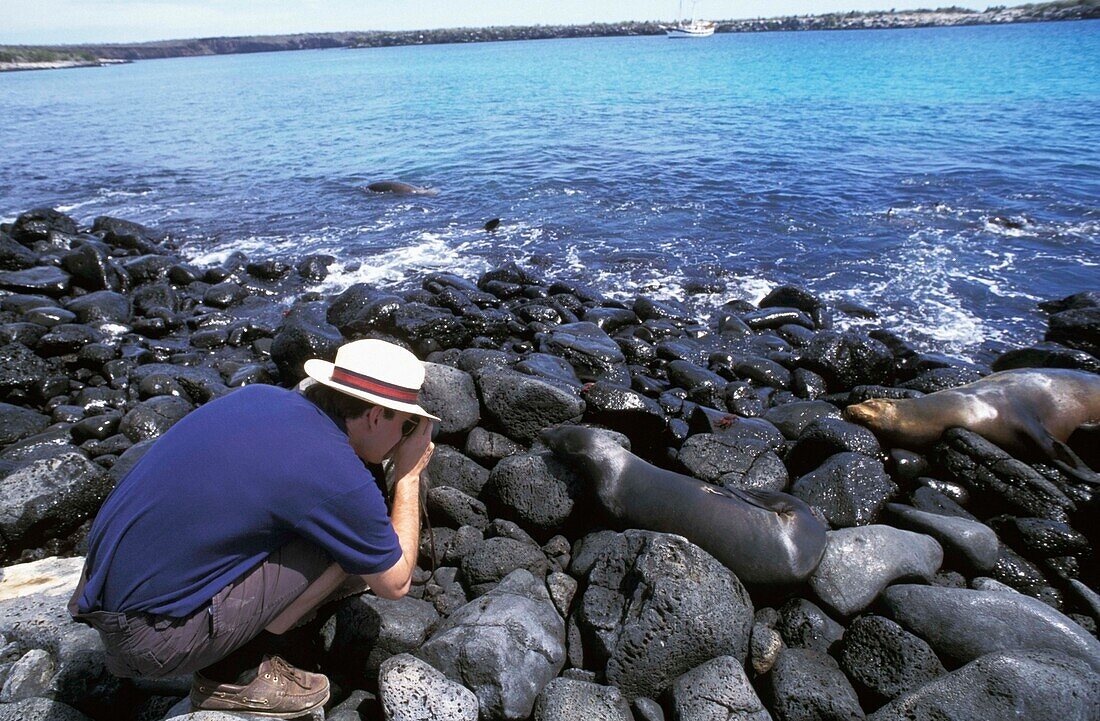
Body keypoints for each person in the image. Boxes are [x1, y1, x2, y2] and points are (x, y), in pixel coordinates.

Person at [68, 339, 437, 717]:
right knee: (346, 541)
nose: (405, 437)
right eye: (406, 425)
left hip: (100, 591)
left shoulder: (261, 398)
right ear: (375, 417)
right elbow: (394, 583)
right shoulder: (334, 471)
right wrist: (408, 478)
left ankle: (240, 627)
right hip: (151, 641)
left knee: (332, 526)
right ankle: (232, 676)